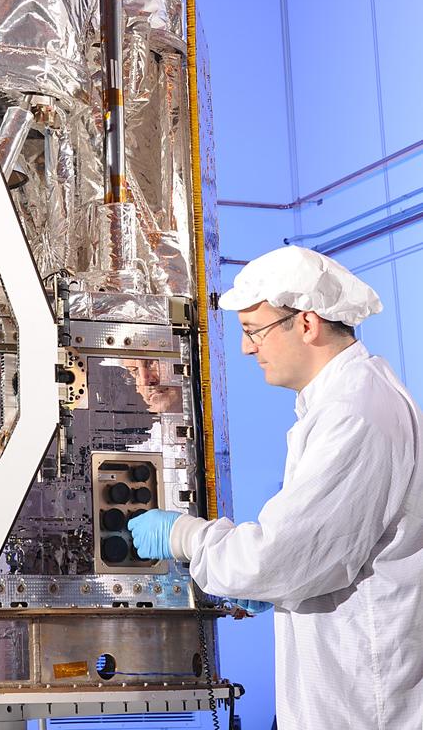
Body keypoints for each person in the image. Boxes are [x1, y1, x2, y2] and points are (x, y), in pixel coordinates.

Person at [128, 244, 423, 730]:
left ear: (307, 324)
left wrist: (185, 537)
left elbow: (279, 556)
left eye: (254, 331)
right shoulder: (345, 401)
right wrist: (281, 590)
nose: (246, 348)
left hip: (363, 706)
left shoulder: (355, 412)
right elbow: (321, 553)